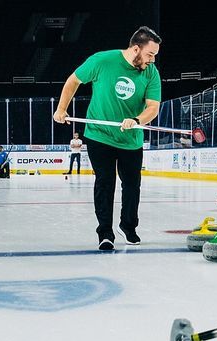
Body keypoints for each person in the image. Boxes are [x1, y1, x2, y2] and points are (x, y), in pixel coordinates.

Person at [53, 26, 162, 251]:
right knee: (105, 182)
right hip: (99, 135)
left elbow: (153, 107)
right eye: (150, 55)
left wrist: (137, 119)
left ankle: (128, 226)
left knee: (132, 185)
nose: (152, 60)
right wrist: (61, 109)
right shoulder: (102, 61)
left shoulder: (151, 72)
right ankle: (105, 232)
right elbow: (73, 80)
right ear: (135, 49)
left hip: (131, 139)